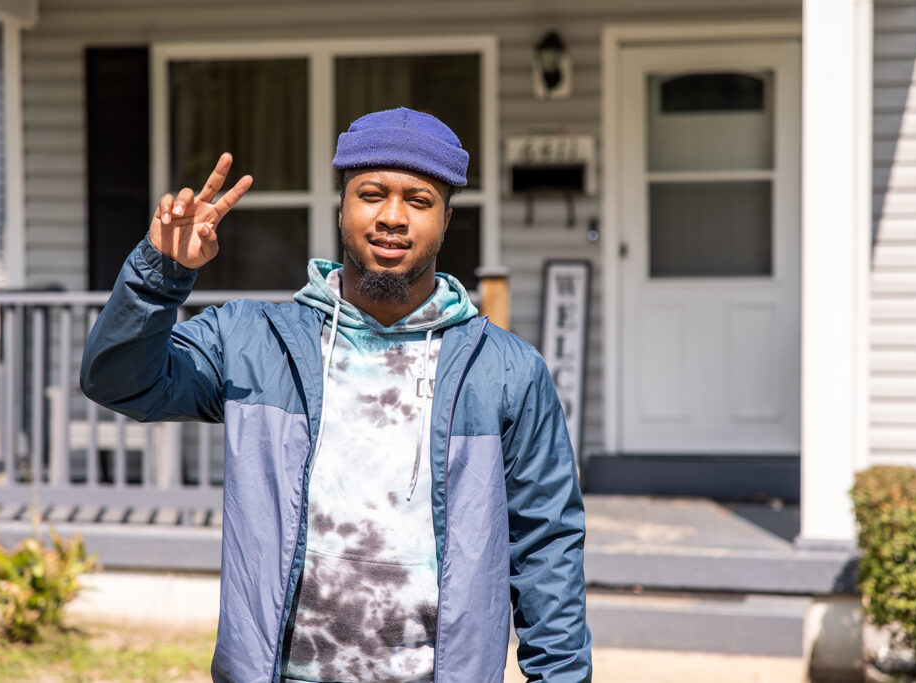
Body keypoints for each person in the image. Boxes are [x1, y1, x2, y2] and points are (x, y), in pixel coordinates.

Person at [81, 107, 592, 682]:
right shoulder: (252, 340)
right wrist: (159, 274)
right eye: (371, 194)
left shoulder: (506, 371)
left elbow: (546, 545)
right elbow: (119, 381)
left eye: (418, 200)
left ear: (447, 218)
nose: (392, 217)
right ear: (341, 207)